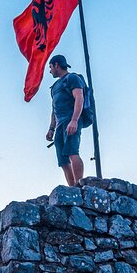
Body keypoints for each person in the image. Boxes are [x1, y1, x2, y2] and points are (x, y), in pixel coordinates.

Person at [46, 54, 84, 186]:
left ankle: (79, 187)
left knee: (72, 152)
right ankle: (72, 188)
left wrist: (74, 120)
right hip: (60, 125)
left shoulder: (72, 78)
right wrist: (51, 128)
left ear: (56, 65)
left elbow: (79, 97)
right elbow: (54, 109)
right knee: (62, 160)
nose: (50, 71)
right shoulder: (55, 87)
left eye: (50, 67)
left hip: (70, 120)